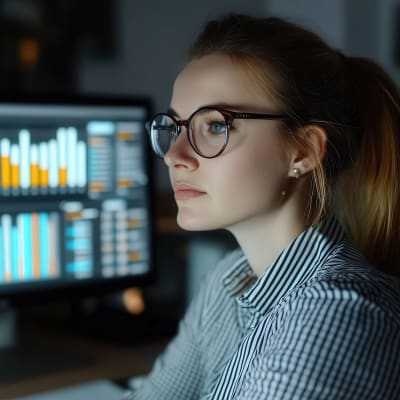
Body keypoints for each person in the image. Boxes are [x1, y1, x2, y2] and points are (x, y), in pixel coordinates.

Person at [125, 13, 400, 399]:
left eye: (216, 125)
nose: (175, 155)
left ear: (302, 151)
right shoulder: (228, 281)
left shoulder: (336, 314)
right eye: (175, 127)